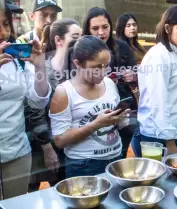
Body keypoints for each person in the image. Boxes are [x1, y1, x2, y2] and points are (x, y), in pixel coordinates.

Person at [50, 35, 130, 178]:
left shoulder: (109, 84)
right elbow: (60, 140)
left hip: (116, 158)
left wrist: (119, 119)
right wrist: (96, 124)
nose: (103, 71)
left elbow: (115, 125)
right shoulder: (64, 92)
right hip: (84, 165)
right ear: (78, 63)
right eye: (96, 67)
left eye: (106, 65)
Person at [133, 5, 177, 157]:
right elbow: (158, 102)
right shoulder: (158, 56)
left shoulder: (175, 53)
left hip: (176, 132)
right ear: (167, 28)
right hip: (159, 138)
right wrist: (170, 142)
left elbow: (173, 90)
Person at [0, 1, 51, 199]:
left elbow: (37, 102)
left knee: (16, 203)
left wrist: (39, 67)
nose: (3, 33)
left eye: (5, 24)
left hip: (17, 152)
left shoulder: (17, 60)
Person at [26, 19, 82, 191]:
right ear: (59, 40)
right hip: (43, 145)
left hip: (66, 143)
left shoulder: (75, 68)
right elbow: (34, 111)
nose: (80, 42)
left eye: (82, 37)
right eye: (75, 37)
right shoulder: (45, 69)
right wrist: (46, 147)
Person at [82, 7, 137, 159]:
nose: (101, 32)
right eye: (95, 28)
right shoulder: (79, 51)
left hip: (122, 110)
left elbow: (137, 75)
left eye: (105, 27)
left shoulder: (122, 47)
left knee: (119, 156)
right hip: (91, 113)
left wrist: (133, 76)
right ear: (87, 29)